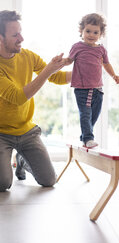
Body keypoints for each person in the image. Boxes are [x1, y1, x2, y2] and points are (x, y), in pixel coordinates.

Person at [0, 10, 71, 192]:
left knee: (49, 180)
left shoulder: (28, 56)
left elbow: (58, 77)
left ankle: (22, 160)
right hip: (1, 133)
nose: (21, 38)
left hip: (27, 131)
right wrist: (48, 70)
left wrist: (87, 74)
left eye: (21, 32)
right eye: (15, 34)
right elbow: (18, 97)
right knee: (3, 184)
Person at [64, 13, 119, 148]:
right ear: (81, 31)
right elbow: (69, 60)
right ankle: (88, 138)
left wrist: (114, 75)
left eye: (95, 32)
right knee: (85, 113)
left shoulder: (101, 50)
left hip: (97, 88)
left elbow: (106, 64)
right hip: (83, 88)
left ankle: (85, 136)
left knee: (94, 115)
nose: (91, 35)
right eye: (88, 31)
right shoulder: (77, 47)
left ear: (101, 34)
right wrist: (60, 63)